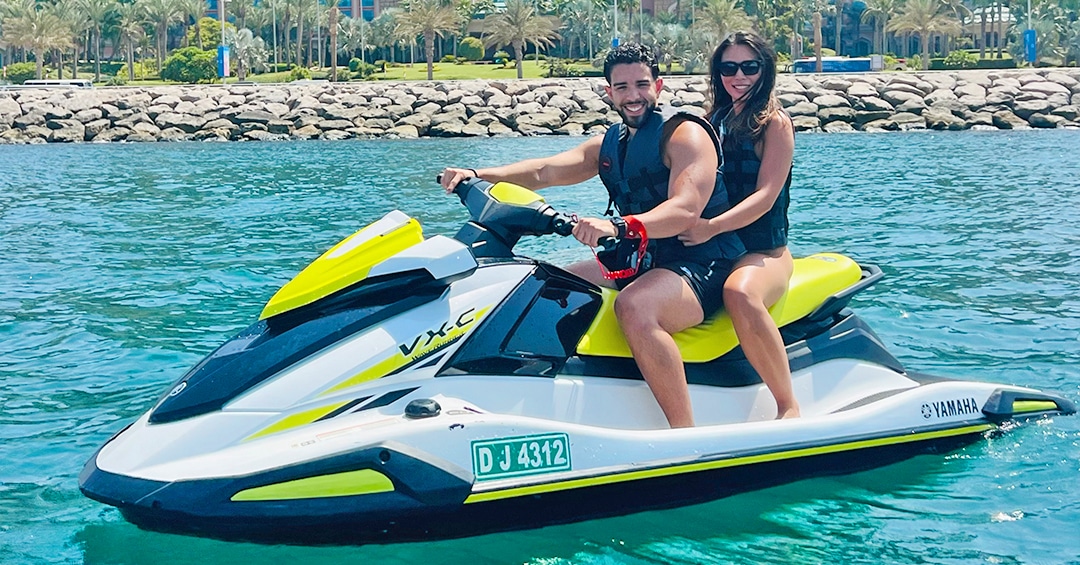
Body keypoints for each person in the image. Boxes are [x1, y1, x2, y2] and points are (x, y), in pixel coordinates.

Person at [440, 43, 744, 428]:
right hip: (645, 259)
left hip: (704, 263)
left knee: (635, 307)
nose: (633, 96)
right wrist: (478, 174)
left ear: (659, 86)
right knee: (545, 287)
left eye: (641, 85)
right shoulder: (610, 145)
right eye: (622, 87)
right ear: (608, 92)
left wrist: (618, 226)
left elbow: (685, 210)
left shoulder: (684, 135)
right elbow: (543, 172)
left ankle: (684, 433)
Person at [678, 31, 800, 419]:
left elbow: (765, 196)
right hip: (715, 251)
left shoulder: (775, 124)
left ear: (765, 70)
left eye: (749, 67)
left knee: (740, 295)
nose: (739, 76)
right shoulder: (712, 121)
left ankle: (788, 405)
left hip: (765, 252)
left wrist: (710, 227)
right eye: (728, 68)